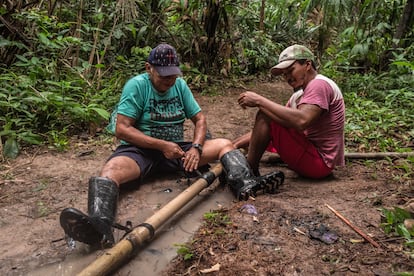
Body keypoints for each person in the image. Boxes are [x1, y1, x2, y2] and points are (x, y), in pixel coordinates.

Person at [59, 43, 284, 248]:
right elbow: (122, 129)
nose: (169, 81)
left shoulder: (180, 86)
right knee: (110, 172)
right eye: (163, 76)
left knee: (225, 144)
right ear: (149, 68)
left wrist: (196, 147)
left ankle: (245, 184)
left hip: (177, 150)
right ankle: (100, 227)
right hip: (140, 151)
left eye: (173, 76)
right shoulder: (136, 86)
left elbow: (200, 119)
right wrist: (161, 145)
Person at [235, 44, 345, 179]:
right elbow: (273, 124)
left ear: (307, 65)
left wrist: (259, 101)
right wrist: (235, 144)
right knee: (269, 113)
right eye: (284, 74)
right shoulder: (299, 95)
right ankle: (248, 166)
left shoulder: (319, 84)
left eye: (291, 70)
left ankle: (248, 172)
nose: (288, 77)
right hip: (312, 157)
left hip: (319, 163)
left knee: (266, 112)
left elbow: (302, 121)